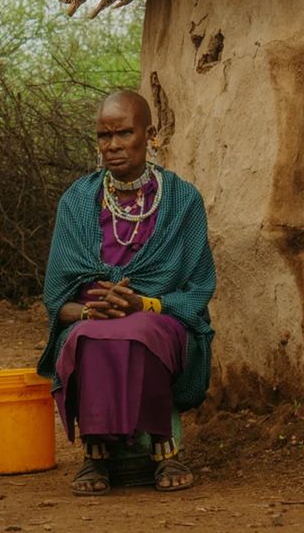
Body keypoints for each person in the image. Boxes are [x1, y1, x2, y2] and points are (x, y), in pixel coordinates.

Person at [36, 90, 216, 495]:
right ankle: (95, 454)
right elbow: (55, 302)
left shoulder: (182, 200)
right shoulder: (77, 202)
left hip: (160, 319)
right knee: (87, 340)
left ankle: (163, 451)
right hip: (90, 321)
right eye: (104, 136)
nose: (113, 146)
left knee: (140, 333)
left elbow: (198, 289)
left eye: (124, 133)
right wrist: (89, 314)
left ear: (150, 135)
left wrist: (144, 304)